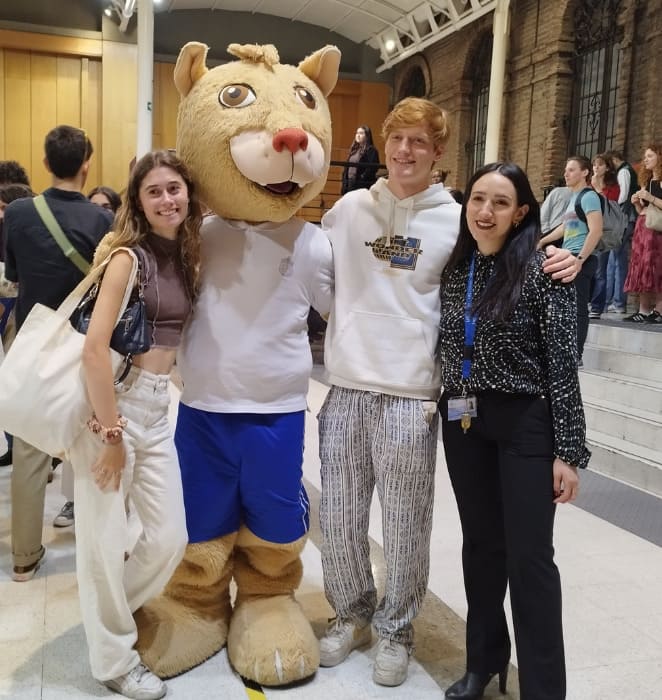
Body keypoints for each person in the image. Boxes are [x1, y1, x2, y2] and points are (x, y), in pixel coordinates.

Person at [317, 97, 577, 688]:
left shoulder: (455, 218)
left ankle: (396, 630)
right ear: (384, 145)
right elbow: (317, 275)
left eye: (420, 142)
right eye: (397, 139)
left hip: (418, 395)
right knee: (340, 516)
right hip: (361, 388)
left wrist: (557, 256)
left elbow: (507, 259)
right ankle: (351, 614)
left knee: (410, 523)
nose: (406, 151)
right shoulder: (350, 208)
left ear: (438, 154)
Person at [439, 161, 590, 700]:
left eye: (500, 202)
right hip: (463, 420)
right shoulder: (456, 268)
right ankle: (483, 662)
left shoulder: (545, 270)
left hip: (525, 421)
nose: (485, 211)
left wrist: (568, 450)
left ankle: (544, 690)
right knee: (481, 548)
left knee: (530, 559)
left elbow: (561, 363)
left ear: (521, 212)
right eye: (478, 199)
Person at [68, 149, 201, 700]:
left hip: (156, 406)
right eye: (155, 191)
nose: (167, 199)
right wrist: (113, 433)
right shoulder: (128, 257)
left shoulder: (186, 255)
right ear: (138, 202)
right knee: (101, 541)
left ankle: (107, 620)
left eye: (174, 188)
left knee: (170, 536)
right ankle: (113, 661)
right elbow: (94, 352)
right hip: (110, 406)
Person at [4, 126, 113, 581]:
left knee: (30, 448)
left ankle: (25, 557)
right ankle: (98, 553)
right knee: (91, 446)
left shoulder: (21, 214)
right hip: (86, 343)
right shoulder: (102, 221)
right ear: (87, 163)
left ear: (45, 163)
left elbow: (12, 272)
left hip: (36, 338)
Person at [538, 155, 603, 366]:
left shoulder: (589, 197)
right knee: (564, 307)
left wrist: (580, 260)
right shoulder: (573, 198)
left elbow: (596, 231)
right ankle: (564, 350)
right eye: (566, 170)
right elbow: (565, 227)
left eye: (572, 170)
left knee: (578, 308)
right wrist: (541, 242)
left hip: (580, 259)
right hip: (568, 256)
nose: (566, 174)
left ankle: (577, 354)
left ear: (585, 172)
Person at [0, 183, 34, 469]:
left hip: (21, 313)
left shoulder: (21, 231)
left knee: (21, 383)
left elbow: (12, 278)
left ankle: (34, 454)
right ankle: (14, 445)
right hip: (14, 312)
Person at [623, 144, 662, 323]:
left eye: (650, 156)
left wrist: (650, 198)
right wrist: (637, 203)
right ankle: (644, 310)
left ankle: (659, 310)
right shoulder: (646, 182)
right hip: (643, 227)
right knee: (641, 268)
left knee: (656, 267)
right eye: (645, 156)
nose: (645, 159)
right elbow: (644, 211)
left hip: (657, 231)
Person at [605, 150, 639, 313]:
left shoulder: (624, 171)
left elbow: (624, 194)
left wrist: (615, 213)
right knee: (614, 260)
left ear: (613, 160)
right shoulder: (626, 170)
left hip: (624, 217)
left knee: (618, 260)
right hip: (626, 217)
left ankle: (618, 302)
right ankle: (612, 300)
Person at [589, 153, 620, 319]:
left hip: (605, 232)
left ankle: (597, 307)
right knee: (588, 268)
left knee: (601, 270)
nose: (596, 167)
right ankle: (586, 301)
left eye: (600, 165)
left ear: (607, 168)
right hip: (588, 231)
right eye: (594, 164)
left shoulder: (613, 187)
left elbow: (610, 208)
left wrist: (599, 189)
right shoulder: (589, 185)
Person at [340, 125, 379, 194]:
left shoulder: (371, 150)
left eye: (361, 133)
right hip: (350, 182)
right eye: (357, 133)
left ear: (367, 136)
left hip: (361, 184)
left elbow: (373, 168)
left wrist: (361, 178)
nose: (358, 135)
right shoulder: (354, 150)